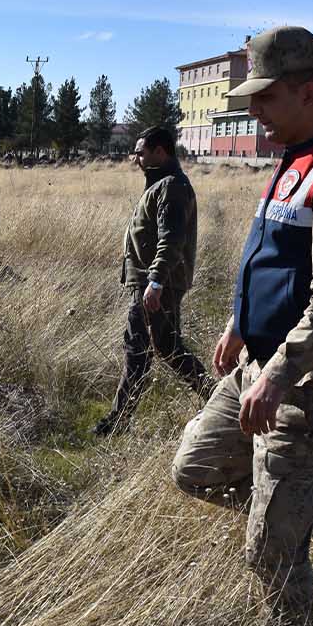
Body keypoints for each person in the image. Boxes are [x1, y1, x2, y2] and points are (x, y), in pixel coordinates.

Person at [170, 26, 313, 621]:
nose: (255, 112)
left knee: (270, 548)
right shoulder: (296, 162)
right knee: (195, 469)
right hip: (257, 364)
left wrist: (279, 372)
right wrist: (239, 323)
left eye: (265, 98)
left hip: (307, 381)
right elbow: (273, 260)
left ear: (308, 93)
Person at [95, 127, 213, 436]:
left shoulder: (171, 187)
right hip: (153, 283)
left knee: (139, 350)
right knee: (166, 347)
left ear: (160, 152)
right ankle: (216, 401)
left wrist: (156, 281)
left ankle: (118, 421)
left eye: (141, 152)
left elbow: (171, 240)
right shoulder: (160, 184)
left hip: (156, 285)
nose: (136, 158)